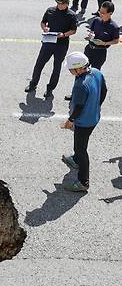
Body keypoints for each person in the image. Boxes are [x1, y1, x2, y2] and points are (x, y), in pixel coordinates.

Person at [60, 52, 107, 192]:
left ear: (79, 68)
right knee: (80, 142)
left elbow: (79, 107)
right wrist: (95, 106)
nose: (69, 71)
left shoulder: (81, 84)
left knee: (82, 149)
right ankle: (75, 160)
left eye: (71, 69)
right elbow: (104, 91)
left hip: (83, 122)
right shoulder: (97, 72)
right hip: (94, 117)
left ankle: (83, 182)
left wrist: (70, 120)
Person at [25, 0, 78, 98]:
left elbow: (73, 30)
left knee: (56, 67)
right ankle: (33, 84)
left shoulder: (71, 15)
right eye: (58, 3)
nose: (59, 6)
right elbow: (43, 22)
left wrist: (63, 34)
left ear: (67, 3)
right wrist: (44, 28)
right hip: (48, 41)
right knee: (39, 64)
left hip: (61, 44)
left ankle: (50, 89)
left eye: (62, 4)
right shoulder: (50, 11)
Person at [84, 1, 119, 70]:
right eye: (100, 11)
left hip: (100, 53)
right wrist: (90, 34)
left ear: (110, 13)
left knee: (94, 73)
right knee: (82, 71)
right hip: (89, 49)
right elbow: (91, 31)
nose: (100, 14)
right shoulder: (96, 20)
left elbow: (116, 41)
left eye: (103, 13)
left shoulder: (114, 27)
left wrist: (105, 43)